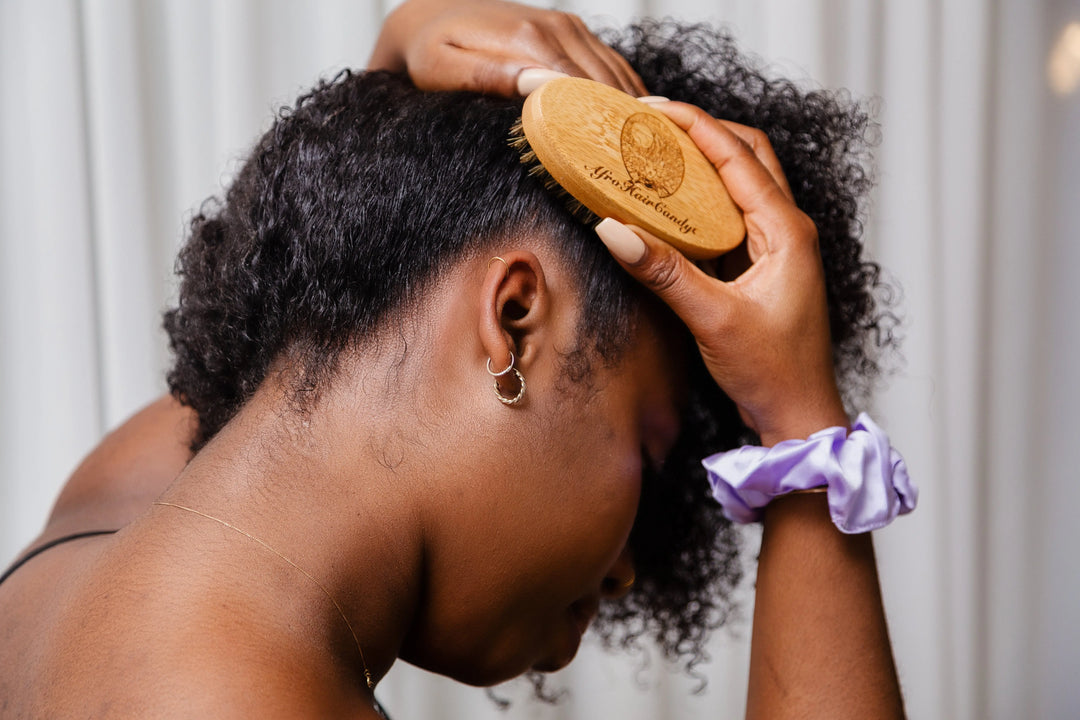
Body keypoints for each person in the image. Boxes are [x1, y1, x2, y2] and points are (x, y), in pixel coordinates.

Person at [0, 1, 907, 717]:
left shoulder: (114, 500)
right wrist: (799, 424)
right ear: (513, 318)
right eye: (652, 445)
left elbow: (357, 285)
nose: (629, 568)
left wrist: (400, 55)